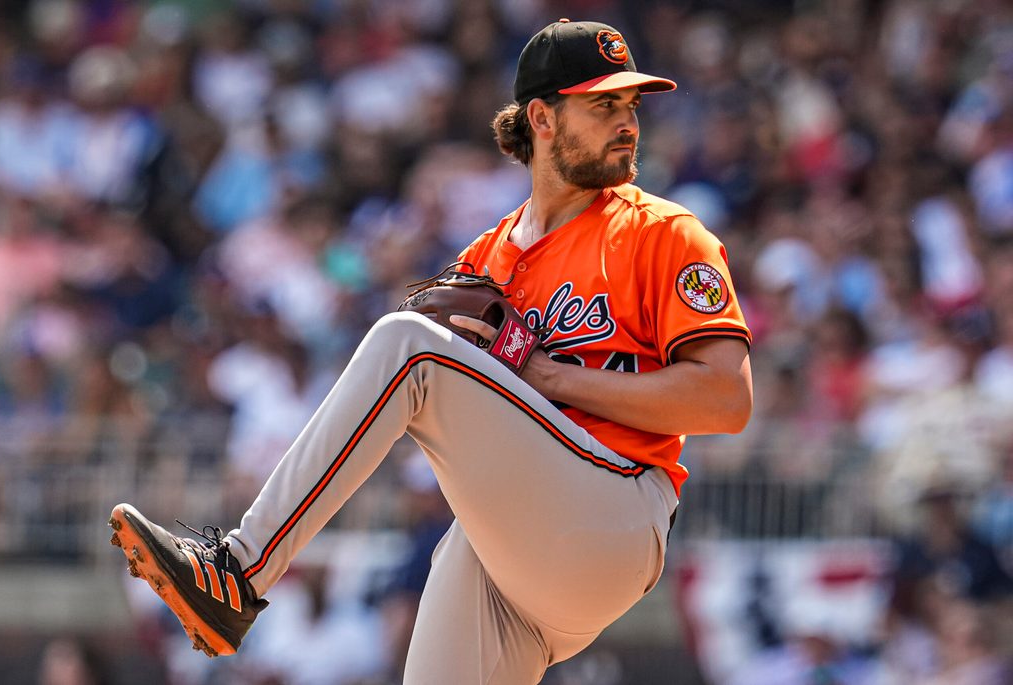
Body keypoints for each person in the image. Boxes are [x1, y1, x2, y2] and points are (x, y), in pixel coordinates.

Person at [109, 19, 753, 684]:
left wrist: (547, 375)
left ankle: (236, 572)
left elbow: (726, 398)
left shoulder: (665, 235)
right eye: (603, 104)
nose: (627, 122)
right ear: (543, 118)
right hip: (510, 553)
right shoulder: (485, 259)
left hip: (615, 510)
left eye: (630, 105)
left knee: (407, 344)